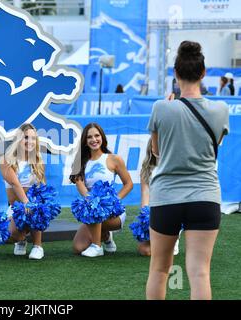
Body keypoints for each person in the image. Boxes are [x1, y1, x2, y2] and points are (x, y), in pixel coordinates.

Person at [146, 41, 229, 300]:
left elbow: (157, 152)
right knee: (200, 273)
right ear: (203, 73)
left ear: (175, 73)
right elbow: (214, 146)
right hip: (205, 196)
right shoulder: (220, 109)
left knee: (159, 270)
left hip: (166, 197)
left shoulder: (161, 107)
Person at [69, 122, 133, 257]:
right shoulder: (79, 161)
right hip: (92, 209)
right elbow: (81, 187)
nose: (94, 140)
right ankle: (106, 236)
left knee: (96, 208)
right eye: (89, 137)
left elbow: (128, 184)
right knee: (78, 247)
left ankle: (97, 246)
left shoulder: (114, 159)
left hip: (113, 213)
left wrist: (115, 200)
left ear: (102, 137)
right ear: (85, 141)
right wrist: (91, 201)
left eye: (97, 136)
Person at [0, 123, 46, 260]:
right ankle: (21, 239)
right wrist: (26, 202)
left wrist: (40, 205)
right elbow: (14, 183)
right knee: (11, 233)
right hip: (16, 206)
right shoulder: (6, 160)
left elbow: (42, 185)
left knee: (36, 209)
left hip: (32, 204)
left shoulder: (38, 160)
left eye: (33, 138)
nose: (30, 142)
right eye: (26, 137)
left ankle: (38, 246)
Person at [136, 138, 179, 257]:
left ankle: (174, 238)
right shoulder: (146, 169)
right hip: (154, 211)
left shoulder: (175, 167)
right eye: (155, 145)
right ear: (151, 147)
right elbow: (145, 194)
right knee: (144, 250)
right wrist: (145, 216)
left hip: (172, 211)